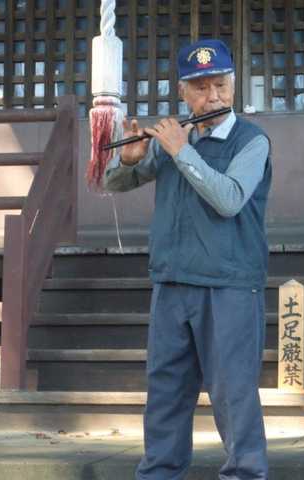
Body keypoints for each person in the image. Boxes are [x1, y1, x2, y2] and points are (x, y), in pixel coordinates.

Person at [103, 39, 271, 480]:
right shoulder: (172, 135)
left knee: (233, 393)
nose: (212, 96)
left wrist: (181, 150)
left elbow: (230, 199)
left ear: (234, 86)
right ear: (182, 91)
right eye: (200, 88)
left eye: (220, 84)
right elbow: (118, 183)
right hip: (172, 280)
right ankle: (159, 472)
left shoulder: (251, 140)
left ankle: (246, 474)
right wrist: (128, 158)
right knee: (165, 391)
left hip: (230, 284)